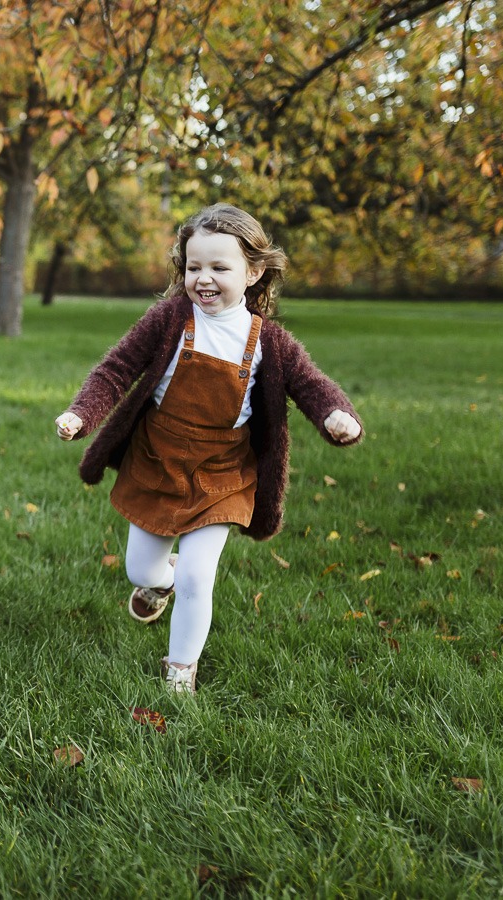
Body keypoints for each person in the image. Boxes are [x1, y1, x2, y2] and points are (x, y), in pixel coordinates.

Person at [55, 203, 363, 694]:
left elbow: (310, 384)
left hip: (224, 471)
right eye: (194, 266)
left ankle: (180, 673)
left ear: (254, 271)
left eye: (220, 267)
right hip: (159, 460)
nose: (204, 278)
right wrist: (82, 414)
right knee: (141, 567)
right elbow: (116, 369)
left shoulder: (269, 342)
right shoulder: (169, 318)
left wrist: (335, 415)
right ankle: (161, 579)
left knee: (201, 577)